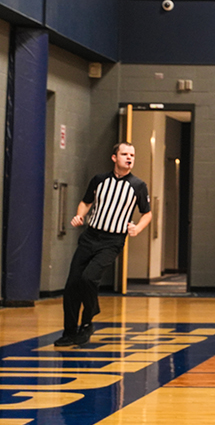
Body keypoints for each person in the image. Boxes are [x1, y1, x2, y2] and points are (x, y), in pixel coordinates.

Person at [54, 142, 152, 347]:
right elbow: (86, 202)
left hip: (112, 241)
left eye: (132, 155)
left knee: (89, 278)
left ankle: (88, 320)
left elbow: (147, 213)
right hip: (90, 236)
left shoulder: (138, 185)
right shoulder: (99, 180)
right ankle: (69, 332)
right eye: (124, 154)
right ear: (114, 157)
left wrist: (138, 228)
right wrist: (80, 216)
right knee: (72, 284)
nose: (129, 158)